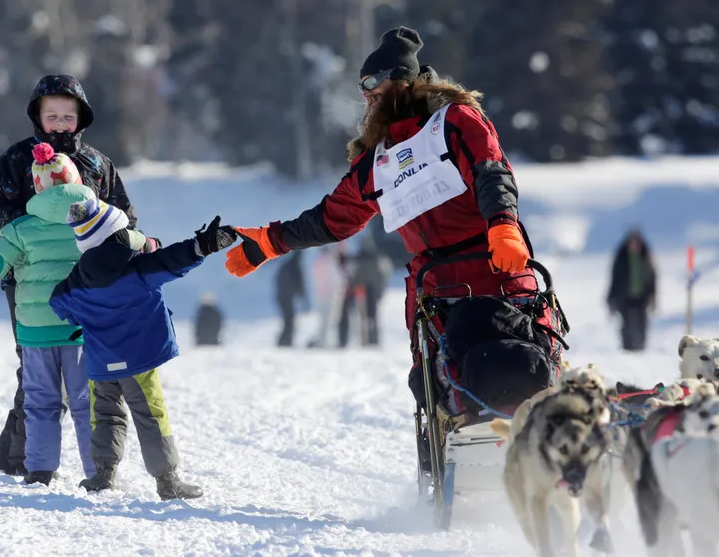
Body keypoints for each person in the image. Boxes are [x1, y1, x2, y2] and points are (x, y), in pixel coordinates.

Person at [224, 26, 561, 413]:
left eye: (373, 86)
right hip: (437, 292)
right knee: (440, 392)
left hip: (498, 267)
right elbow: (334, 219)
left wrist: (503, 224)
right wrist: (271, 241)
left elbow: (490, 170)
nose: (366, 97)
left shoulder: (455, 121)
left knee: (527, 368)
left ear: (401, 81)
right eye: (362, 90)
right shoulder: (376, 160)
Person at [0, 74, 155, 477]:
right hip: (29, 280)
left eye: (68, 116)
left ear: (81, 119)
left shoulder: (96, 162)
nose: (59, 123)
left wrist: (127, 249)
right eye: (51, 115)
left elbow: (123, 215)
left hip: (88, 283)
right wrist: (27, 230)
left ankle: (99, 466)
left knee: (89, 374)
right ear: (37, 117)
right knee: (35, 369)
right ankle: (21, 460)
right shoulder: (17, 159)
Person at [49, 200, 237, 500]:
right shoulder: (136, 270)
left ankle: (103, 474)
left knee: (106, 415)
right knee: (151, 415)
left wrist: (80, 319)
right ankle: (167, 481)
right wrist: (204, 245)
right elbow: (172, 261)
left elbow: (57, 300)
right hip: (137, 362)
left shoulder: (77, 280)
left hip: (99, 363)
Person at [0, 144, 96, 485]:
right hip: (81, 331)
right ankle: (98, 471)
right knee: (88, 404)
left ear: (38, 187)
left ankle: (40, 471)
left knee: (41, 403)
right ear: (76, 179)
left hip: (35, 333)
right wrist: (150, 245)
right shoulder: (94, 221)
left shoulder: (21, 229)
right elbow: (126, 245)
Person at [338, 234, 392, 348]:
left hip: (361, 290)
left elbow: (352, 273)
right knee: (371, 316)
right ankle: (372, 339)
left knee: (363, 315)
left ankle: (364, 339)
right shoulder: (377, 257)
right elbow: (385, 273)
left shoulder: (359, 257)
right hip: (370, 290)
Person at [607, 228, 657, 351]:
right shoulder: (621, 258)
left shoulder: (646, 257)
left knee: (642, 322)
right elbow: (615, 279)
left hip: (642, 296)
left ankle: (641, 346)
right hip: (625, 296)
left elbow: (652, 278)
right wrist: (611, 298)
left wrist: (653, 296)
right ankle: (627, 347)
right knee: (626, 323)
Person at [274, 251, 307, 347]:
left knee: (288, 319)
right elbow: (298, 283)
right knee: (290, 319)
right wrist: (301, 293)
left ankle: (285, 340)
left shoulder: (286, 265)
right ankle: (285, 341)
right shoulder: (294, 267)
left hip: (282, 297)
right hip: (286, 297)